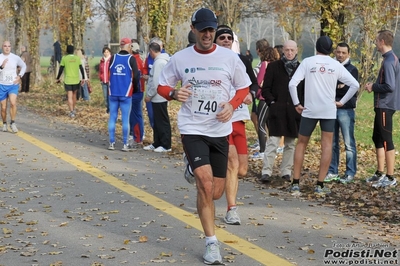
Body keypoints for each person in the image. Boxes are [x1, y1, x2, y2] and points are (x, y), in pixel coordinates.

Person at [157, 8, 251, 265]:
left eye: (212, 29)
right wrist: (174, 95)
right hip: (192, 128)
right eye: (204, 29)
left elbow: (244, 87)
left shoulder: (229, 58)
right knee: (205, 183)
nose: (208, 34)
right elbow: (162, 85)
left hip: (220, 130)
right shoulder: (180, 58)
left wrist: (232, 105)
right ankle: (211, 243)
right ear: (193, 29)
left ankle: (194, 167)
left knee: (217, 192)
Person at [288, 36, 359, 196]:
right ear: (331, 50)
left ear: (317, 47)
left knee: (301, 144)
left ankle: (295, 183)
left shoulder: (307, 62)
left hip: (310, 109)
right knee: (327, 146)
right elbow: (355, 85)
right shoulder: (336, 65)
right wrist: (341, 102)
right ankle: (319, 185)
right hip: (328, 110)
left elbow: (292, 84)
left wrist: (296, 103)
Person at [213, 26, 255, 225]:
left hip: (239, 119)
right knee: (232, 163)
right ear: (215, 40)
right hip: (221, 120)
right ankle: (232, 208)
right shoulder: (210, 61)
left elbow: (253, 85)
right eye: (222, 37)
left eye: (229, 37)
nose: (226, 40)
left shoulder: (242, 60)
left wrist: (250, 94)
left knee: (242, 169)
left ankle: (212, 168)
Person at [260, 40, 303, 183]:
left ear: (297, 51)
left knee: (290, 143)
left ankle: (286, 171)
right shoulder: (273, 67)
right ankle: (266, 171)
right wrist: (272, 102)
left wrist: (300, 105)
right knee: (273, 141)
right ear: (282, 51)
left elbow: (304, 90)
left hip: (294, 111)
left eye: (292, 50)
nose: (289, 53)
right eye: (287, 50)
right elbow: (265, 88)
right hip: (277, 110)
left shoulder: (301, 68)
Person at [365, 30, 400, 188]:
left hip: (386, 105)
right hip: (381, 105)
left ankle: (390, 176)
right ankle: (379, 173)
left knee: (386, 141)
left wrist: (373, 86)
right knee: (377, 138)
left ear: (382, 42)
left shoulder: (389, 61)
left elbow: (390, 86)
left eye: (376, 40)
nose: (375, 43)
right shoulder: (388, 59)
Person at [324, 43, 359, 184]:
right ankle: (333, 171)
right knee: (332, 143)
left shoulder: (352, 69)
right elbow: (329, 87)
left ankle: (350, 172)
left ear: (348, 54)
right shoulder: (331, 68)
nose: (340, 55)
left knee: (349, 143)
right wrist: (339, 87)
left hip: (346, 110)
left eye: (343, 52)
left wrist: (339, 88)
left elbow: (348, 90)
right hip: (331, 109)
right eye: (338, 52)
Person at [108, 38, 140, 151]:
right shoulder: (131, 59)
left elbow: (109, 72)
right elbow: (136, 76)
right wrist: (136, 88)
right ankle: (125, 144)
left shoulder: (113, 57)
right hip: (126, 93)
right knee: (125, 119)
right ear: (128, 46)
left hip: (113, 92)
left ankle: (111, 143)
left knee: (112, 117)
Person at [251, 45, 280, 159]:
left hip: (264, 98)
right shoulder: (278, 65)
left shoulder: (265, 64)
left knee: (261, 124)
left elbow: (258, 80)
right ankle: (273, 150)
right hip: (275, 98)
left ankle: (263, 151)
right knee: (270, 125)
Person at [144, 42, 171, 152]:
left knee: (162, 120)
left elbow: (156, 82)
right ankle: (157, 142)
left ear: (151, 51)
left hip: (159, 96)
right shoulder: (158, 62)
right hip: (157, 97)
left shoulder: (159, 63)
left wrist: (149, 95)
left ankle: (166, 144)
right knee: (157, 120)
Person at [0, 41, 26, 133]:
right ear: (2, 47)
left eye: (9, 46)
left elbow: (24, 66)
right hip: (2, 85)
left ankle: (13, 122)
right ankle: (4, 123)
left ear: (11, 47)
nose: (7, 48)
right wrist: (1, 67)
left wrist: (19, 76)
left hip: (13, 84)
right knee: (3, 107)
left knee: (13, 103)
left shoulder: (15, 57)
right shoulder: (0, 57)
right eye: (5, 46)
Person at [249, 39, 270, 152]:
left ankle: (264, 147)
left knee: (260, 121)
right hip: (262, 95)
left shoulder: (264, 62)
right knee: (257, 118)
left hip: (261, 95)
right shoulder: (265, 61)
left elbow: (259, 79)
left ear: (257, 50)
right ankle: (263, 142)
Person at [56, 45, 85, 118]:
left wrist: (58, 78)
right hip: (76, 80)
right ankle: (74, 109)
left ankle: (71, 112)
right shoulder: (77, 58)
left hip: (68, 80)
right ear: (73, 51)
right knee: (74, 95)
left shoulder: (64, 58)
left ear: (66, 51)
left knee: (69, 96)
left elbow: (61, 69)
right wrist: (83, 78)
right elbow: (81, 68)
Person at [129, 39, 145, 148]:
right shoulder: (140, 59)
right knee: (138, 114)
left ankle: (138, 138)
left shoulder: (133, 60)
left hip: (136, 91)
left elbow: (134, 77)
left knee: (134, 115)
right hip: (140, 90)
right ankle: (139, 136)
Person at [99, 47, 111, 113]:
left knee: (109, 96)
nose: (106, 53)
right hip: (103, 81)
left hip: (109, 81)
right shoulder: (102, 60)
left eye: (107, 52)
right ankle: (107, 107)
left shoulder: (111, 59)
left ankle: (109, 109)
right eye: (104, 52)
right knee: (105, 96)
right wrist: (100, 78)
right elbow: (100, 71)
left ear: (109, 52)